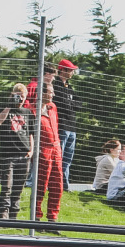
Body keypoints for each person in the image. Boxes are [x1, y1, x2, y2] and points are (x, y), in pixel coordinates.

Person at [0, 83, 33, 219]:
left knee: (18, 188)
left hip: (24, 154)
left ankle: (13, 216)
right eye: (18, 96)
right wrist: (9, 106)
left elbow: (31, 133)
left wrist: (31, 150)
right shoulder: (6, 109)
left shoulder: (27, 112)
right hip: (8, 154)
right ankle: (3, 215)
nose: (20, 99)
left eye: (22, 97)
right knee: (7, 186)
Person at [31, 81, 62, 224]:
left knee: (58, 184)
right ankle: (37, 217)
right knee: (41, 184)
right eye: (50, 92)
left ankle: (52, 218)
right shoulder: (33, 110)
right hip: (43, 149)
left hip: (56, 148)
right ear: (42, 93)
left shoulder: (52, 107)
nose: (53, 94)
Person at [52, 59, 78, 189]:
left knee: (67, 159)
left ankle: (64, 184)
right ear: (63, 70)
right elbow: (62, 104)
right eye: (71, 70)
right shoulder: (56, 86)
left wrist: (69, 104)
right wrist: (70, 104)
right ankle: (56, 183)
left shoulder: (69, 87)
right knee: (59, 157)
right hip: (62, 126)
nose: (72, 73)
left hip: (72, 126)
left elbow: (79, 104)